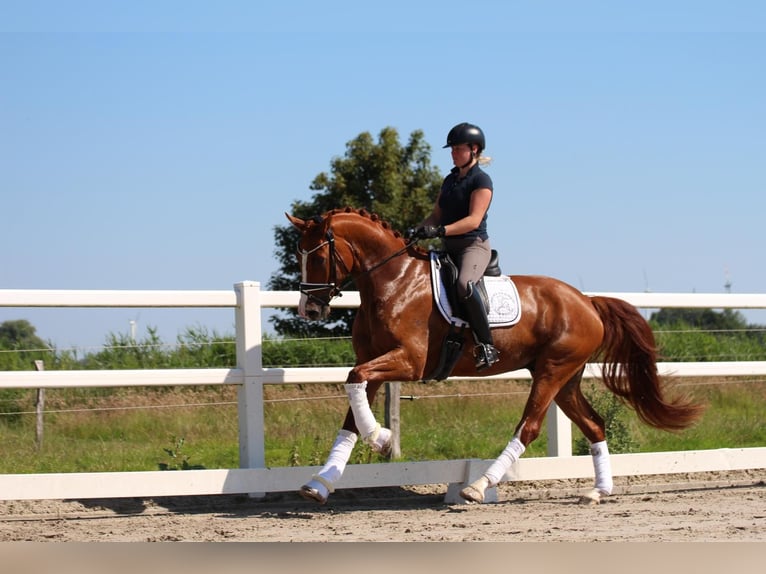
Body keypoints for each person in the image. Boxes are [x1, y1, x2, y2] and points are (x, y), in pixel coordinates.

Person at [409, 122, 499, 370]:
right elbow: (436, 215)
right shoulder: (449, 180)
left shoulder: (481, 180)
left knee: (464, 285)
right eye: (452, 149)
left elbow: (473, 220)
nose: (453, 153)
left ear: (474, 149)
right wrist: (417, 230)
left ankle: (486, 345)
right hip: (448, 246)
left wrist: (439, 231)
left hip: (473, 246)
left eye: (458, 149)